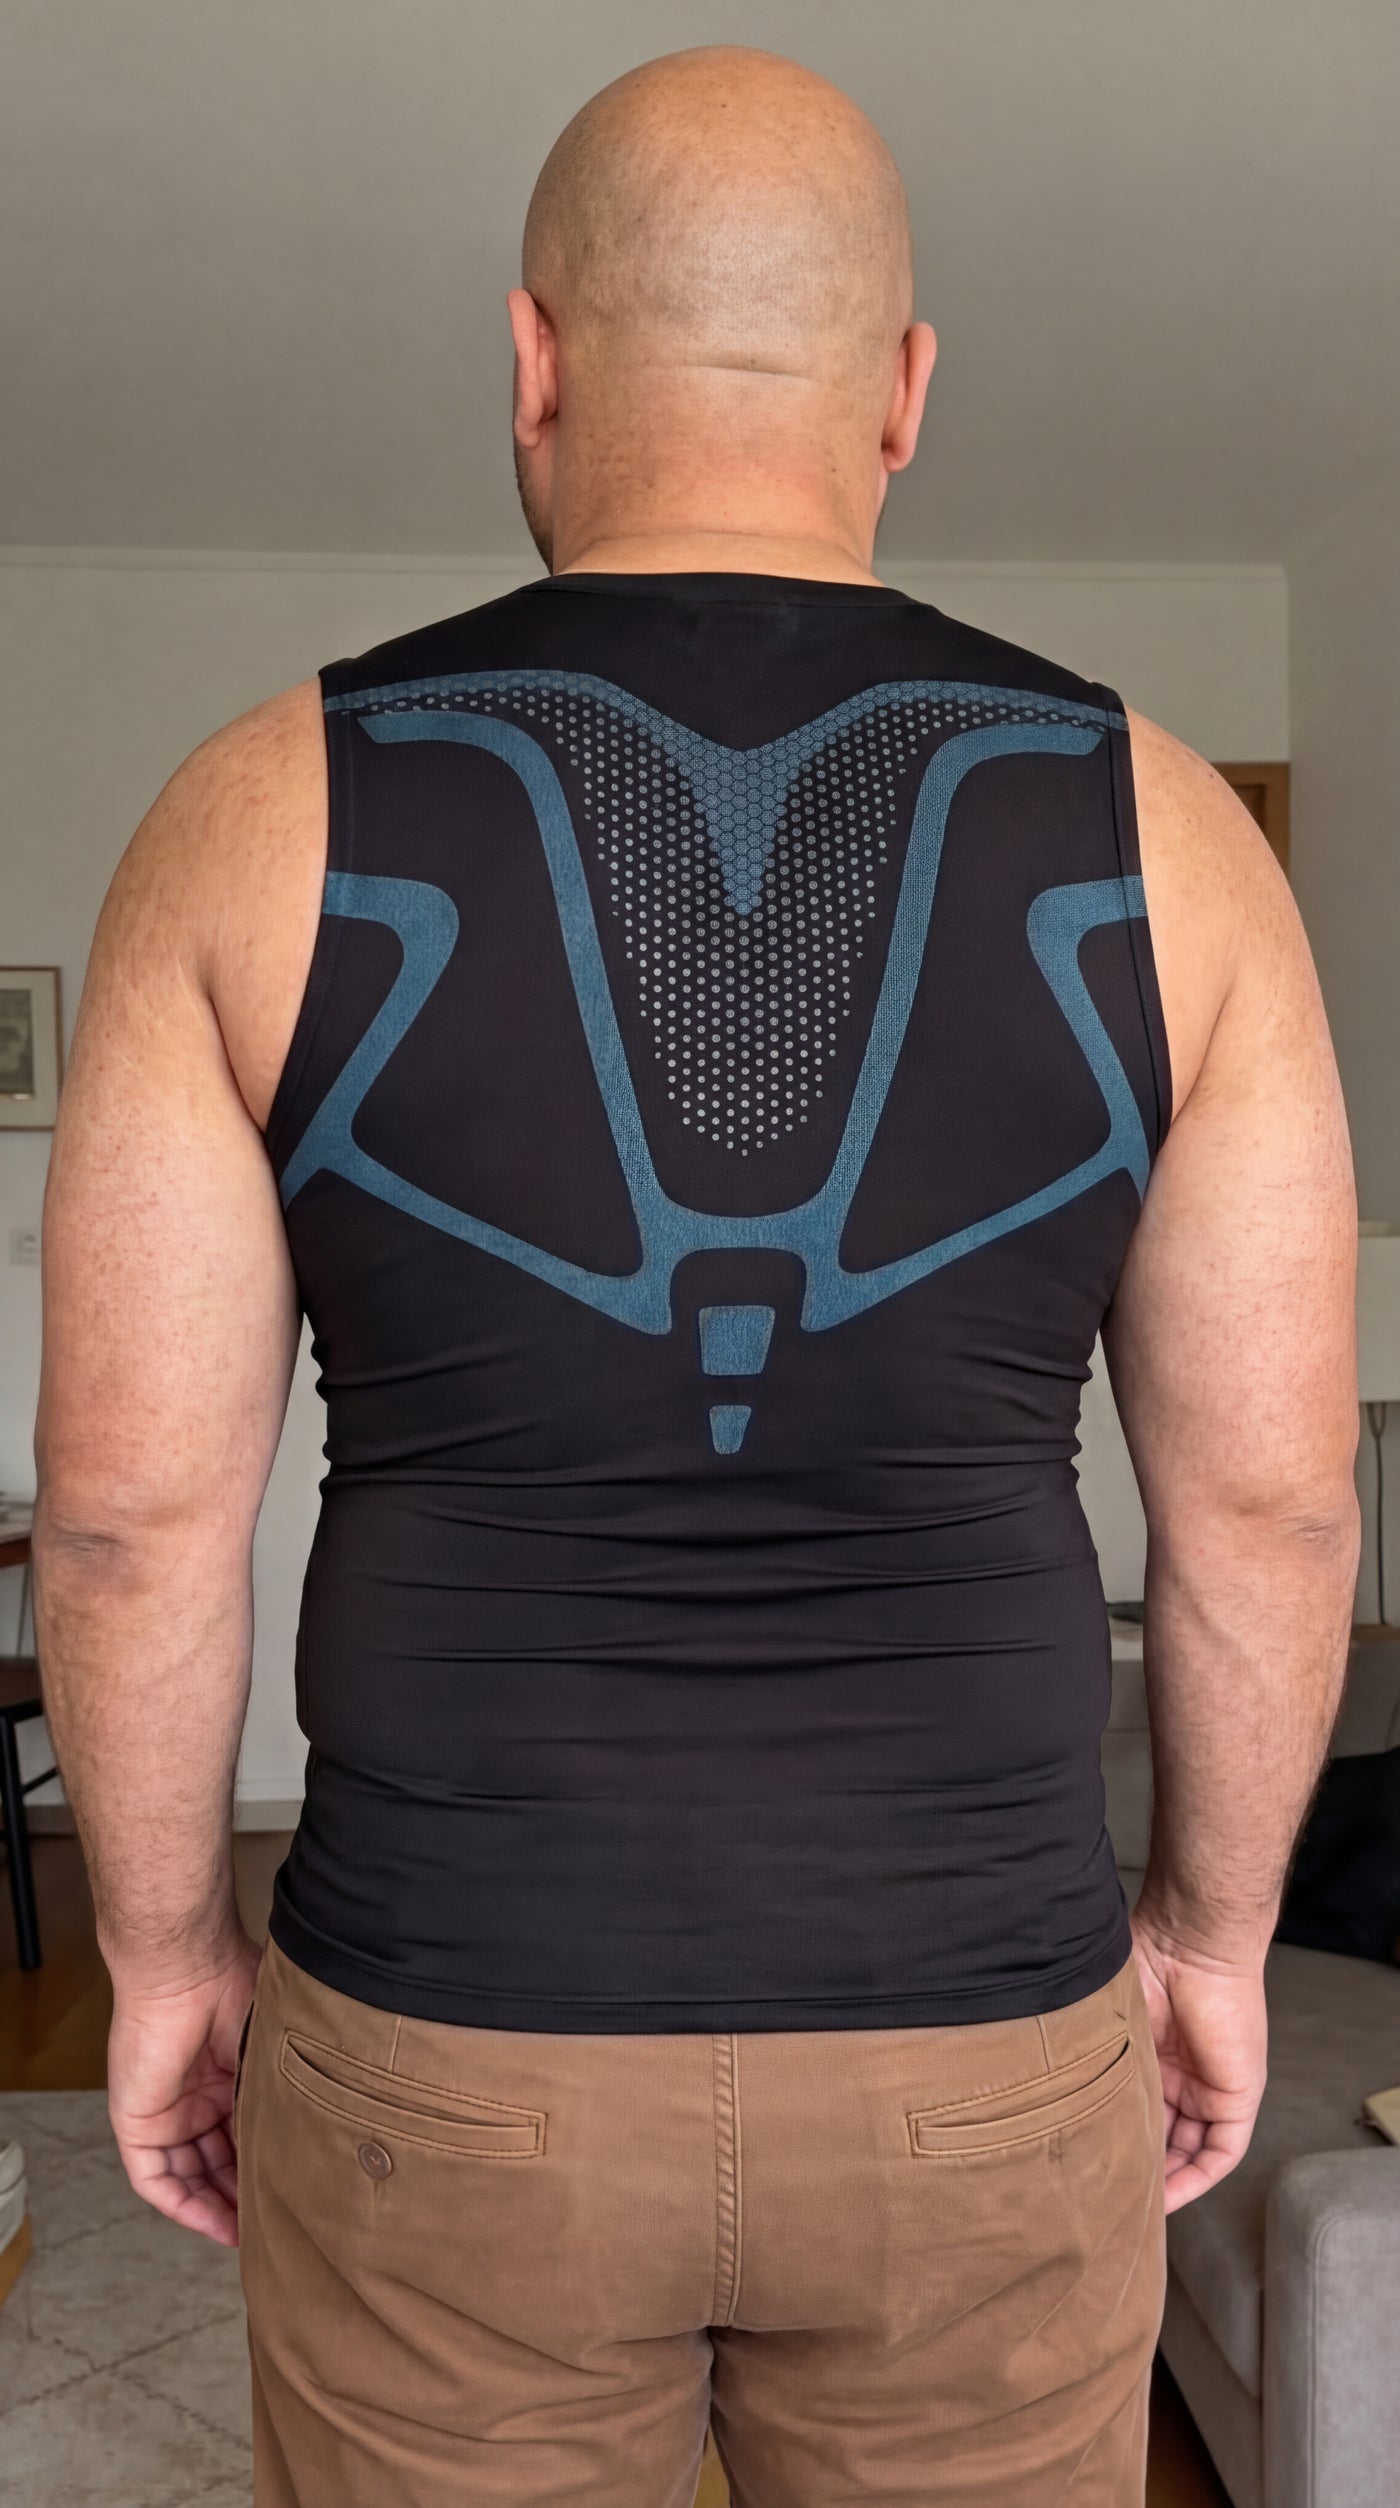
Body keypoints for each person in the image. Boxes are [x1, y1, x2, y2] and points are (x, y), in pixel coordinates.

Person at [33, 43, 1359, 2508]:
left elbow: (119, 1521)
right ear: (906, 391)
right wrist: (1205, 1935)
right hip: (980, 2041)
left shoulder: (248, 819)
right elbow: (1271, 1513)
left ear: (530, 361)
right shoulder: (1177, 843)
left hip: (452, 2038)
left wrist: (163, 1960)